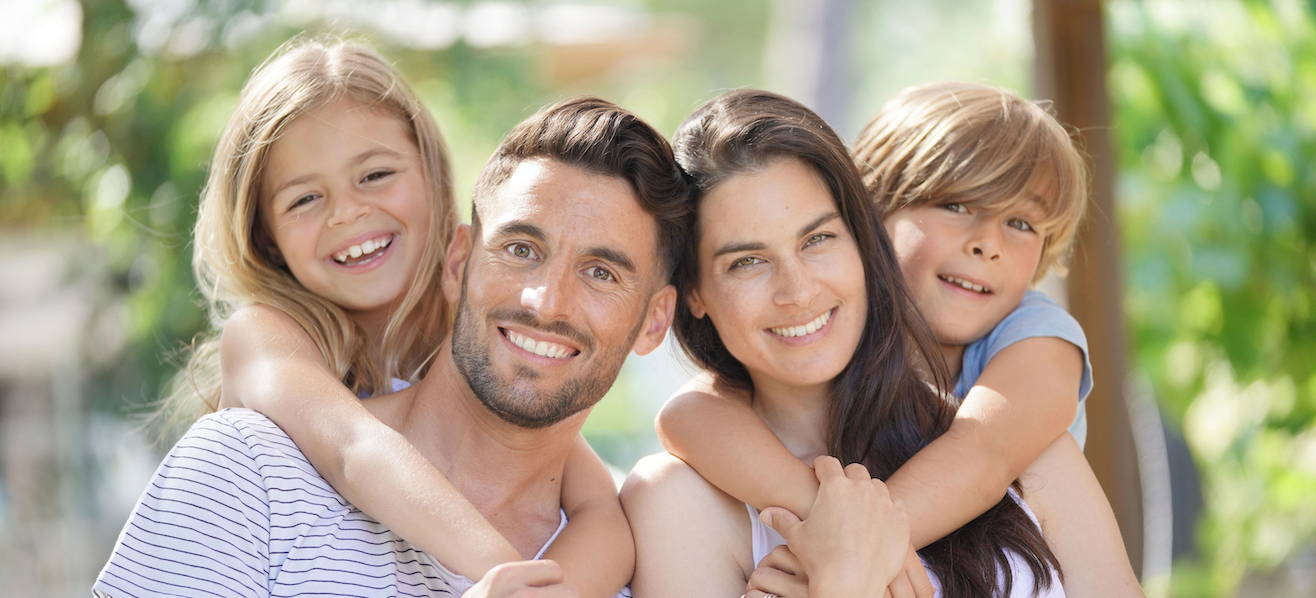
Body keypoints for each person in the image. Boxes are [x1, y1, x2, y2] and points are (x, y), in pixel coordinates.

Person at [95, 96, 688, 597]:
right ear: (458, 262)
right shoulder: (251, 467)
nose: (546, 301)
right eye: (521, 249)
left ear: (654, 323)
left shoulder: (646, 560)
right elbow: (353, 447)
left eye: (601, 273)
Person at [623, 90, 1141, 597]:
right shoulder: (679, 496)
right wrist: (846, 564)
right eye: (746, 261)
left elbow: (983, 453)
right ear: (693, 291)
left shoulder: (1027, 433)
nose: (798, 291)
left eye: (818, 239)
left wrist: (857, 541)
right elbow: (687, 413)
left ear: (861, 240)